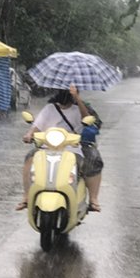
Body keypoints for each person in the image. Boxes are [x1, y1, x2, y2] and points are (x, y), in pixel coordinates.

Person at [16, 84, 105, 212]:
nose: (65, 95)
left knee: (93, 161)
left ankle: (93, 199)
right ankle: (26, 196)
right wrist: (29, 134)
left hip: (72, 148)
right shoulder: (50, 108)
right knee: (29, 159)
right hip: (48, 147)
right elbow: (37, 125)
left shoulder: (79, 108)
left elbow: (87, 119)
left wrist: (77, 98)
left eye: (70, 92)